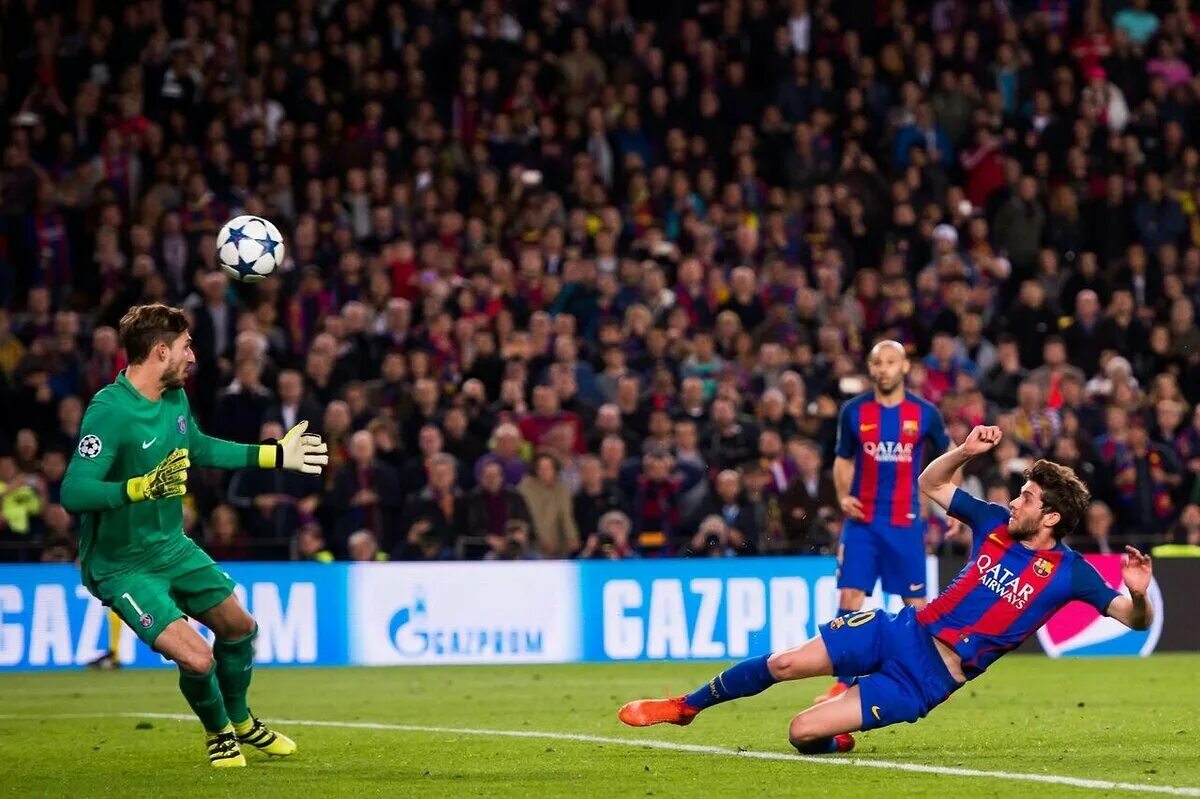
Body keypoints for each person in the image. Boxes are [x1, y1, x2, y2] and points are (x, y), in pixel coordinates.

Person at [617, 425, 1155, 755]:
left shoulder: (1072, 572)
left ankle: (836, 731)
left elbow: (1133, 621)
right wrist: (963, 451)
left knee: (802, 731)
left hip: (927, 680)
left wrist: (1137, 594)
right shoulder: (992, 521)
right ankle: (684, 706)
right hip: (903, 630)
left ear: (1052, 516)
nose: (1015, 501)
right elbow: (931, 484)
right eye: (1020, 492)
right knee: (784, 664)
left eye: (1028, 498)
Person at [60, 304, 329, 767]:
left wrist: (274, 456)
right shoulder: (110, 410)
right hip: (121, 565)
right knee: (199, 659)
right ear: (160, 351)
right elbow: (74, 490)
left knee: (240, 628)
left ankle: (242, 721)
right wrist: (139, 488)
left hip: (171, 546)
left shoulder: (174, 398)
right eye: (186, 346)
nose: (193, 356)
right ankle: (218, 731)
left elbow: (199, 447)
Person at [821, 340, 950, 701]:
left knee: (917, 607)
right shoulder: (853, 411)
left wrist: (949, 506)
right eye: (877, 362)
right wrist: (844, 496)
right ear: (870, 367)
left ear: (904, 367)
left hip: (905, 522)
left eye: (891, 362)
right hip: (862, 524)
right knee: (849, 597)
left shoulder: (925, 413)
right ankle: (842, 683)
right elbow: (843, 459)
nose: (883, 369)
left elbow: (948, 457)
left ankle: (928, 676)